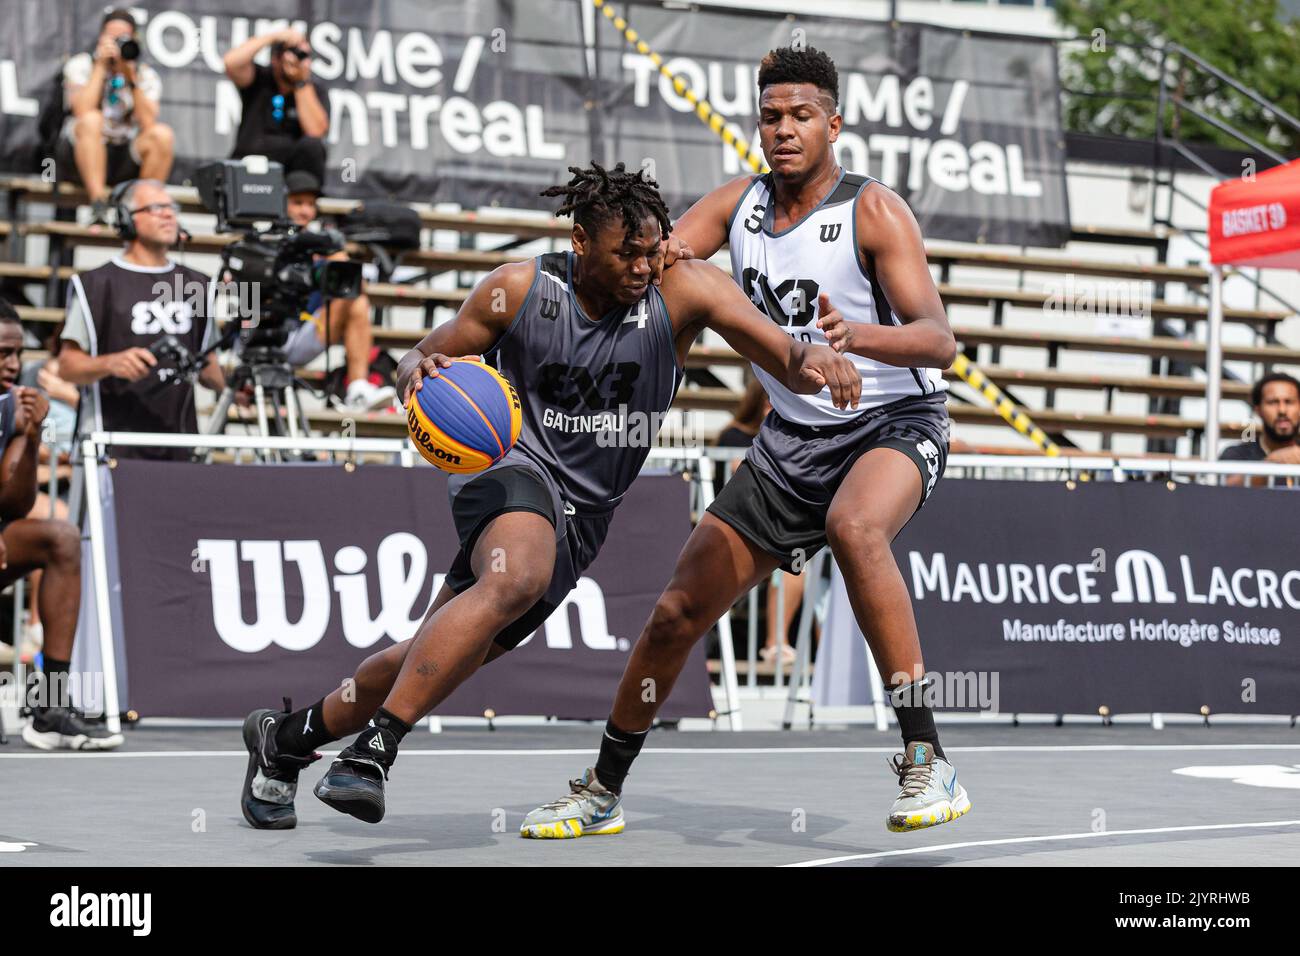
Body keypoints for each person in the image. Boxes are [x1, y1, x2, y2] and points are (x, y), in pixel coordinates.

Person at [235, 162, 860, 829]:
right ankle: (373, 754)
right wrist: (420, 372)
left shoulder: (685, 291)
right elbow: (423, 355)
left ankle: (285, 740)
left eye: (653, 250)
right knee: (519, 572)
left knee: (426, 656)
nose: (645, 267)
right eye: (627, 253)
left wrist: (809, 359)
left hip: (586, 517)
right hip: (507, 466)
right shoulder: (519, 289)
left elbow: (774, 347)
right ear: (582, 243)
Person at [523, 46, 966, 839]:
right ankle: (601, 790)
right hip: (792, 439)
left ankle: (926, 756)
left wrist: (860, 336)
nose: (785, 130)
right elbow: (653, 266)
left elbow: (939, 342)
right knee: (674, 613)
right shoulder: (738, 207)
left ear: (835, 123)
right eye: (771, 117)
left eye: (802, 116)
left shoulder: (875, 211)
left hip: (892, 422)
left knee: (855, 527)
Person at [0, 300, 122, 750]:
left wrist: (31, 436)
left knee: (61, 538)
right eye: (1, 354)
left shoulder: (11, 405)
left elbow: (15, 503)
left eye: (16, 353)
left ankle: (49, 707)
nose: (12, 365)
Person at [59, 179, 226, 460]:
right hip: (111, 442)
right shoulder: (96, 283)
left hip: (180, 445)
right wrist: (110, 363)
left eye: (172, 208)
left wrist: (235, 388)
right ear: (126, 219)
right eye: (156, 208)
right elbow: (67, 366)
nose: (169, 214)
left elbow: (208, 368)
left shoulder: (197, 284)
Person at [274, 170, 395, 410]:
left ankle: (358, 387)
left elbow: (356, 285)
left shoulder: (320, 244)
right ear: (282, 202)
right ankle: (356, 387)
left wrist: (336, 256)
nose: (305, 211)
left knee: (356, 299)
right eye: (298, 203)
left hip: (303, 333)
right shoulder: (267, 240)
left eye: (310, 204)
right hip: (266, 336)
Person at [56, 8, 173, 224]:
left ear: (134, 39)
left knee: (162, 135)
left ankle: (143, 212)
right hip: (80, 153)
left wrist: (130, 78)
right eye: (112, 36)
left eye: (123, 37)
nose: (117, 42)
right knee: (92, 120)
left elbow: (148, 123)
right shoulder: (82, 64)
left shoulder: (144, 75)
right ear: (101, 36)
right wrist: (101, 67)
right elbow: (81, 111)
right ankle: (98, 203)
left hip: (121, 154)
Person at [224, 27, 329, 183]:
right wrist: (274, 37)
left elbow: (316, 132)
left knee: (312, 146)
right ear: (276, 58)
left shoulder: (312, 90)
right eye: (292, 52)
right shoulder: (259, 79)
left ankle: (301, 203)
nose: (298, 59)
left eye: (304, 55)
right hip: (250, 166)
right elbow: (231, 63)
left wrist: (300, 82)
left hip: (291, 177)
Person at [1219, 372, 1300, 488]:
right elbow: (1222, 491)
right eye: (1273, 402)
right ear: (1258, 410)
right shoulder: (1237, 455)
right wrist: (1273, 462)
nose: (1282, 410)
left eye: (1289, 402)